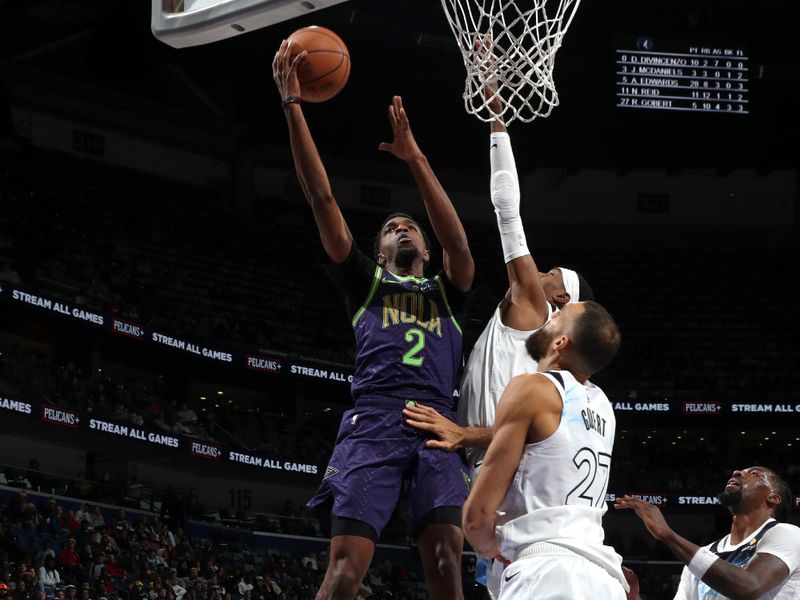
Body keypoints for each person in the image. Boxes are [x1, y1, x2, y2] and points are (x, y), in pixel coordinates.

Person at [273, 39, 475, 600]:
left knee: (447, 564)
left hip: (438, 428)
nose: (403, 228)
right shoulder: (366, 282)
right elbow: (321, 200)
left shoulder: (448, 292)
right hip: (375, 422)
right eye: (392, 227)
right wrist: (293, 105)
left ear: (427, 252)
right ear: (380, 250)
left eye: (412, 226)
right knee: (343, 573)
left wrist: (415, 159)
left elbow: (457, 238)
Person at [463, 301, 627, 599]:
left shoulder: (531, 387)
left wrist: (490, 549)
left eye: (559, 315)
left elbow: (476, 519)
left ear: (561, 342)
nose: (551, 315)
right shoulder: (604, 406)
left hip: (545, 570)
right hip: (604, 578)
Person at [616, 466, 800, 599]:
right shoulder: (703, 555)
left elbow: (749, 587)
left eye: (753, 474)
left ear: (773, 498)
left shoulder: (787, 534)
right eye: (741, 471)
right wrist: (633, 596)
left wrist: (668, 535)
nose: (737, 472)